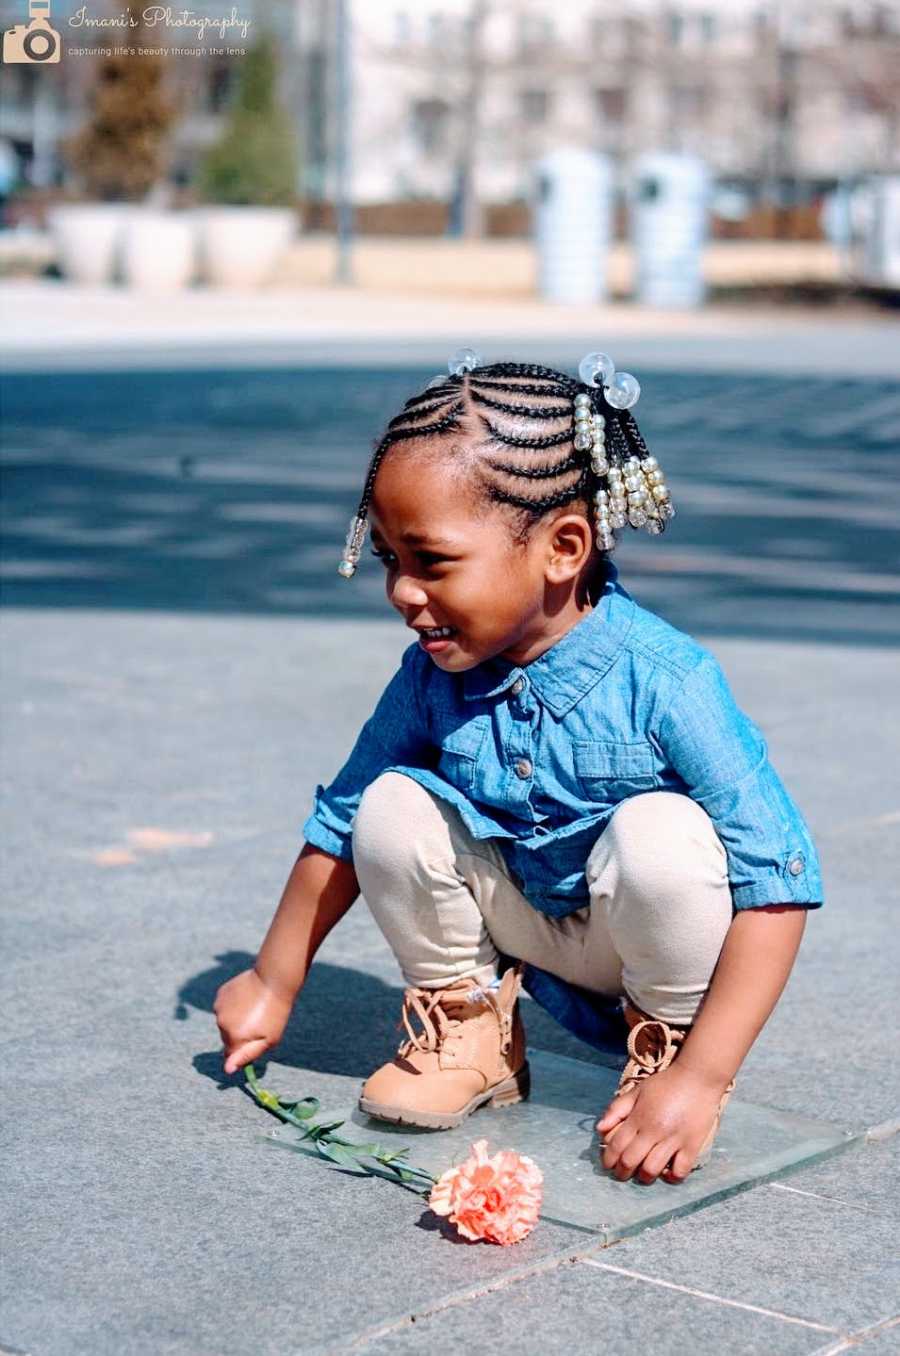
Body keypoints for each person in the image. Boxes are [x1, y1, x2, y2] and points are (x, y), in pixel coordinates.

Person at [214, 352, 822, 1186]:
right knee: (387, 806)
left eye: (431, 560)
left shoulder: (668, 679)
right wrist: (271, 978)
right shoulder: (431, 677)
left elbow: (778, 884)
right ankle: (468, 1030)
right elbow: (339, 822)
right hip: (525, 919)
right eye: (389, 558)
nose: (399, 591)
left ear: (562, 547)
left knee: (665, 834)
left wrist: (701, 1077)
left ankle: (665, 1051)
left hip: (639, 940)